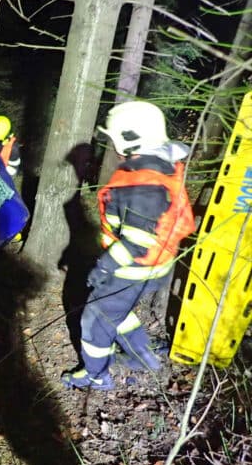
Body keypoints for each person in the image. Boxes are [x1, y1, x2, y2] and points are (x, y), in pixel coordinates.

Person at [62, 101, 196, 390]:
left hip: (134, 268)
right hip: (156, 264)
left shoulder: (142, 184)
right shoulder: (158, 166)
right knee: (116, 311)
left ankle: (96, 376)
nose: (113, 145)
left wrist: (105, 266)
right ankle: (141, 357)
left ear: (130, 137)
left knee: (96, 318)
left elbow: (137, 241)